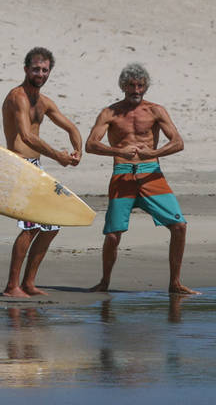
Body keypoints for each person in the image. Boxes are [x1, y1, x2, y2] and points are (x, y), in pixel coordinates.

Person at [85, 63, 199, 295]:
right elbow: (90, 145)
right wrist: (117, 151)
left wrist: (153, 153)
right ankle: (104, 282)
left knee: (179, 226)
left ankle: (175, 283)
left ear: (146, 86)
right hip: (122, 173)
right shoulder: (110, 112)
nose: (136, 90)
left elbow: (178, 142)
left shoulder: (156, 111)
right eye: (131, 85)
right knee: (113, 235)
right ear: (123, 86)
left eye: (140, 85)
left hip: (151, 173)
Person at [1, 47, 82, 298]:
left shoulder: (44, 101)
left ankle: (28, 283)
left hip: (35, 168)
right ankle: (11, 286)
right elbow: (26, 135)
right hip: (19, 167)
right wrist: (58, 155)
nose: (40, 73)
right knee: (31, 227)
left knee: (52, 226)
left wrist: (77, 149)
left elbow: (70, 126)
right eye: (35, 69)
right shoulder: (18, 97)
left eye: (45, 69)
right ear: (26, 69)